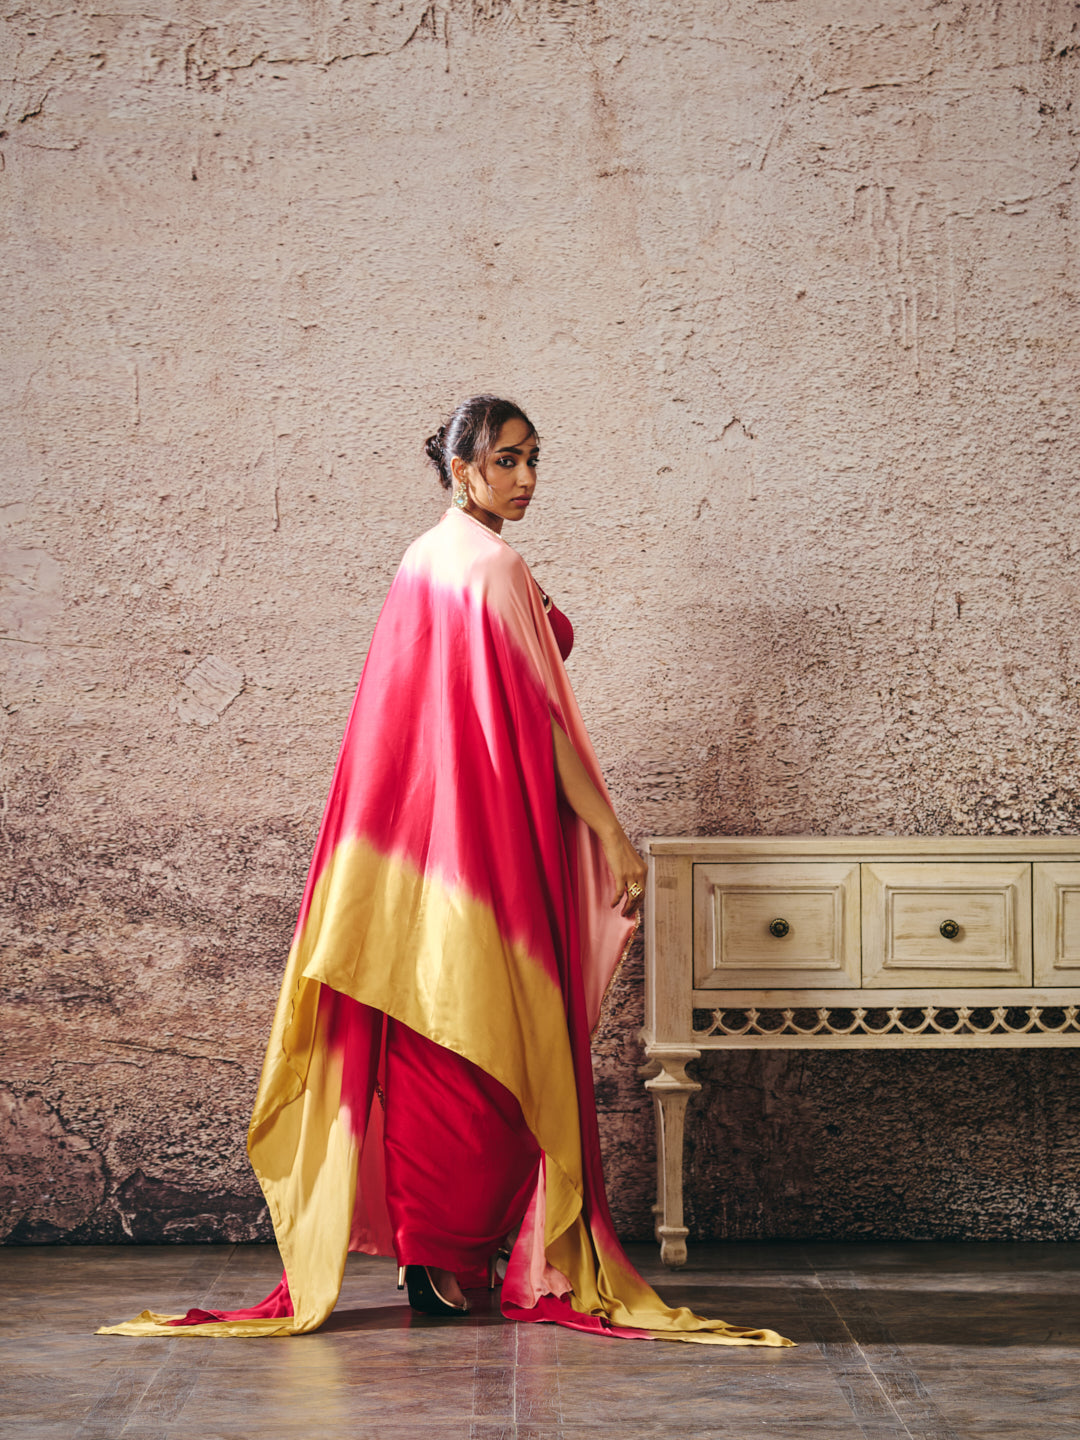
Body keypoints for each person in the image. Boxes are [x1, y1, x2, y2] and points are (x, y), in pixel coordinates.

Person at [101, 395, 790, 1348]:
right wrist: (616, 840)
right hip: (491, 841)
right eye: (507, 460)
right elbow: (543, 730)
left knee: (433, 1028)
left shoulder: (421, 562)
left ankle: (441, 1255)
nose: (526, 478)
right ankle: (458, 1252)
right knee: (507, 1044)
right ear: (460, 469)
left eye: (535, 459)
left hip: (410, 851)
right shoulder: (493, 565)